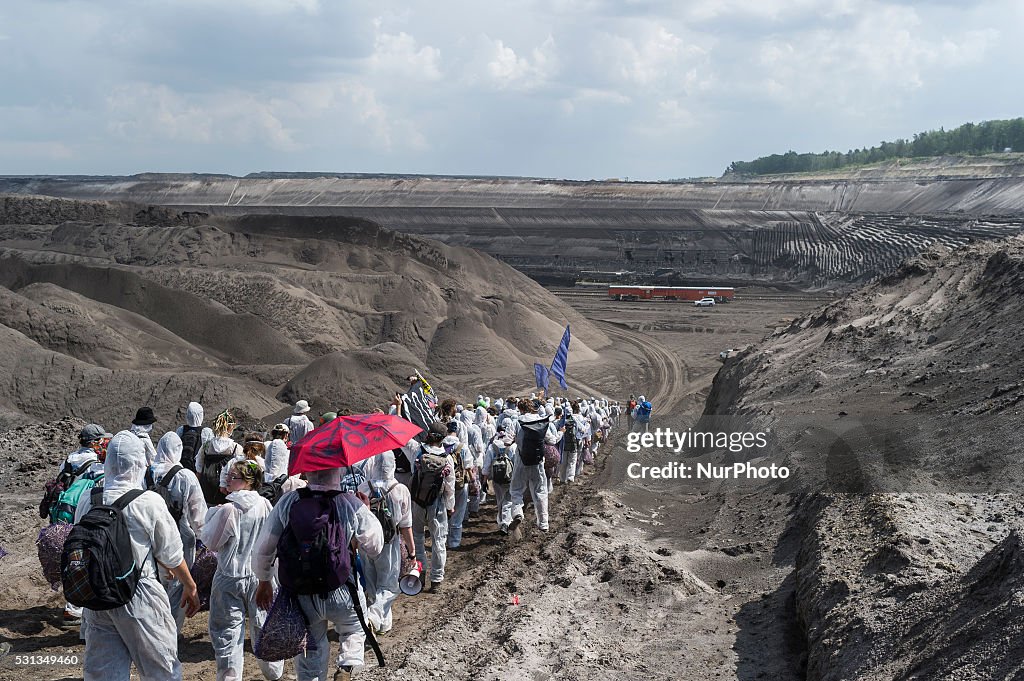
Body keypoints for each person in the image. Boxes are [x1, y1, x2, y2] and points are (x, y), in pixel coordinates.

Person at [74, 431, 200, 681]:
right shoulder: (148, 502)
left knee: (103, 672)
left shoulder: (90, 497)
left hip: (98, 596)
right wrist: (190, 586)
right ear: (140, 463)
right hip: (139, 594)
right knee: (160, 668)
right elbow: (172, 554)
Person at [253, 467, 384, 681]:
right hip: (341, 589)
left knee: (310, 651)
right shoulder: (348, 502)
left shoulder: (289, 501)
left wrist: (264, 580)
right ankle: (347, 665)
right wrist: (365, 509)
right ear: (337, 472)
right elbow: (375, 546)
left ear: (307, 471)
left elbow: (264, 546)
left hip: (301, 592)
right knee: (353, 628)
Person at [202, 460, 283, 681]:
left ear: (248, 482)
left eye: (233, 476)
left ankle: (230, 677)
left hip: (230, 576)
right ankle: (273, 671)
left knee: (228, 633)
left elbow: (211, 542)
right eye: (228, 475)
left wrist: (211, 516)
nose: (228, 479)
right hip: (260, 576)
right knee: (265, 624)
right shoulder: (265, 505)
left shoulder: (229, 509)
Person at [51, 424, 109, 625]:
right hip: (83, 510)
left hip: (65, 512)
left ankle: (71, 605)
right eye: (101, 440)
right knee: (84, 556)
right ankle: (76, 607)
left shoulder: (69, 459)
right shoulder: (96, 463)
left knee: (70, 556)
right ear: (94, 442)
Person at [150, 432, 208, 634]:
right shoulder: (184, 476)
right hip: (178, 536)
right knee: (178, 585)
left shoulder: (146, 473)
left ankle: (153, 628)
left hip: (149, 536)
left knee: (153, 584)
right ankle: (170, 633)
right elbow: (198, 513)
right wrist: (205, 538)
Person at [358, 451, 415, 635]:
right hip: (389, 542)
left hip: (366, 543)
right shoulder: (400, 489)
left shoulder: (362, 487)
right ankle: (374, 617)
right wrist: (412, 551)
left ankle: (383, 624)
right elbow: (406, 526)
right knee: (390, 586)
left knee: (372, 584)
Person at [409, 422, 455, 592]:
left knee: (418, 538)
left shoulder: (417, 451)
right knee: (439, 541)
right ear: (443, 438)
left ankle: (419, 574)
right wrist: (450, 507)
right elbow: (449, 488)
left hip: (417, 502)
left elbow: (405, 440)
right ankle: (436, 580)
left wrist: (398, 410)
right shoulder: (447, 458)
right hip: (437, 505)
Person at [509, 399, 557, 533]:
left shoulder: (517, 422)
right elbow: (552, 440)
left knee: (516, 490)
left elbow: (507, 441)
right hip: (538, 462)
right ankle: (543, 523)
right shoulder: (540, 421)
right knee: (541, 492)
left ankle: (517, 513)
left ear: (520, 408)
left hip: (521, 461)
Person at [196, 410, 244, 506]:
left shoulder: (206, 446)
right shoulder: (236, 448)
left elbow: (199, 470)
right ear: (231, 427)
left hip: (206, 494)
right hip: (226, 494)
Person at [482, 426, 516, 534]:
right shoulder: (513, 447)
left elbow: (486, 466)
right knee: (508, 500)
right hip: (510, 477)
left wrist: (485, 481)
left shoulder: (492, 447)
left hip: (497, 479)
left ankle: (502, 522)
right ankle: (506, 522)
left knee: (500, 500)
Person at [176, 401, 214, 472]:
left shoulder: (181, 430)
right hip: (198, 471)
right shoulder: (206, 432)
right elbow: (210, 452)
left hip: (180, 468)